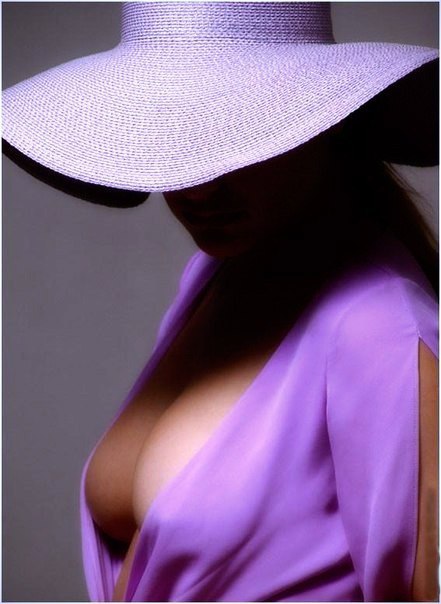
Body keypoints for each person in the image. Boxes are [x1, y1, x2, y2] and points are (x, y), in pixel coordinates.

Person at [2, 2, 439, 602]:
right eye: (173, 135)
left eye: (238, 135)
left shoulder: (379, 329)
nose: (199, 187)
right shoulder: (215, 276)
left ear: (326, 121)